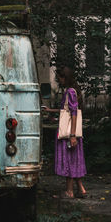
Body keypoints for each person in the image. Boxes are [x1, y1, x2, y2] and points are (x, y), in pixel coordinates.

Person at [42, 66, 87, 198]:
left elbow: (73, 114)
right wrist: (50, 110)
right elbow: (66, 111)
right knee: (74, 160)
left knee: (69, 161)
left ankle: (69, 191)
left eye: (60, 78)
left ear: (65, 78)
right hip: (71, 134)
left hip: (69, 134)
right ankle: (81, 189)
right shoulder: (71, 91)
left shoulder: (70, 92)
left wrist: (72, 135)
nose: (59, 80)